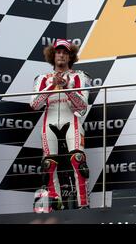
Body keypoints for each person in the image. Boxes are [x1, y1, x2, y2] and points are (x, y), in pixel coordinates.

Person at [30, 39, 91, 208]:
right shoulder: (42, 78)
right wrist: (52, 86)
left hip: (71, 120)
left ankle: (84, 205)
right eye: (58, 51)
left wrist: (66, 88)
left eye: (65, 52)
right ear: (53, 54)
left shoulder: (79, 76)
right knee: (48, 165)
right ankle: (55, 205)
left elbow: (82, 106)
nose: (61, 55)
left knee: (79, 161)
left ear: (70, 56)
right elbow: (34, 104)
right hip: (49, 121)